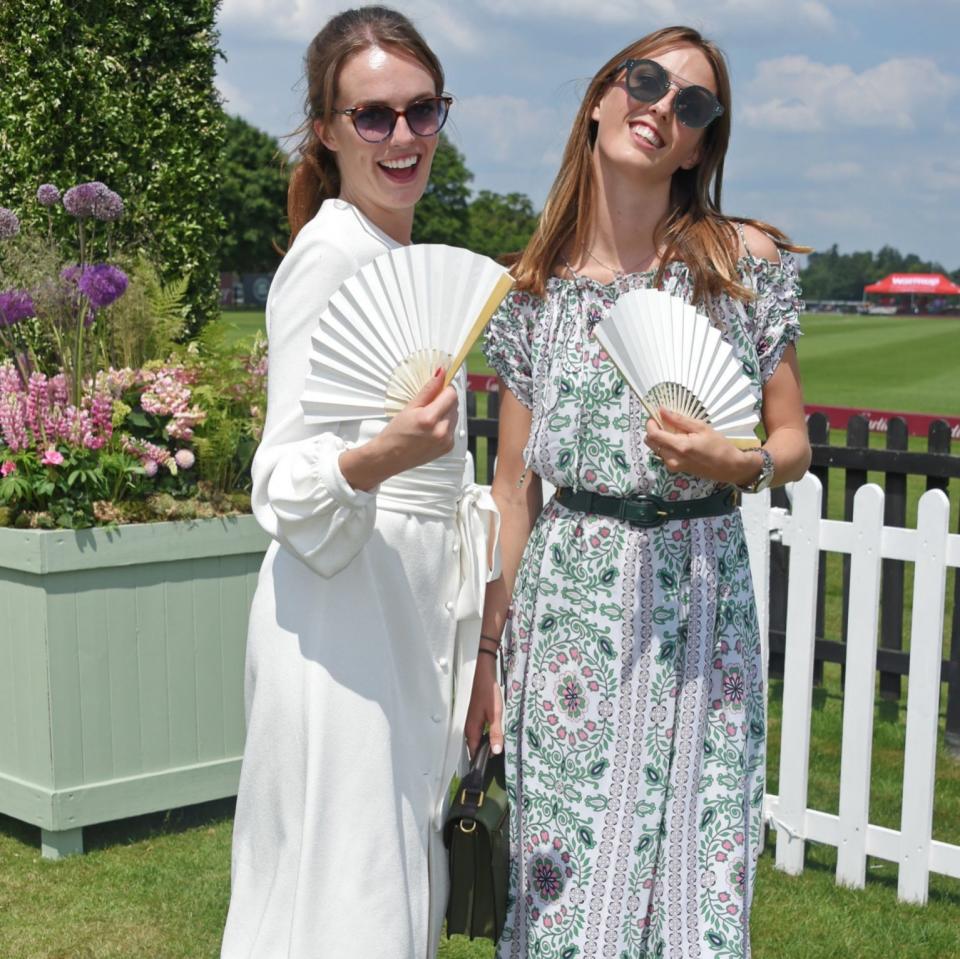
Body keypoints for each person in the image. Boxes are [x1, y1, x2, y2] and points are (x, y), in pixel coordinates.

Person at [465, 25, 812, 958]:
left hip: (704, 604)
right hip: (569, 612)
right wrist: (489, 655)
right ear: (600, 96)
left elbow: (793, 440)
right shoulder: (531, 290)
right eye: (646, 80)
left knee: (700, 874)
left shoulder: (742, 265)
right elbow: (511, 487)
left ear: (701, 143)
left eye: (691, 103)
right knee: (565, 885)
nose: (662, 106)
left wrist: (742, 465)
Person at [221, 7, 497, 958]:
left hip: (409, 602)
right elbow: (284, 479)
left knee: (382, 882)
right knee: (344, 892)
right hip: (339, 617)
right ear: (328, 130)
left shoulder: (395, 257)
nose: (403, 136)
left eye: (423, 111)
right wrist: (384, 455)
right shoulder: (330, 257)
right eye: (373, 116)